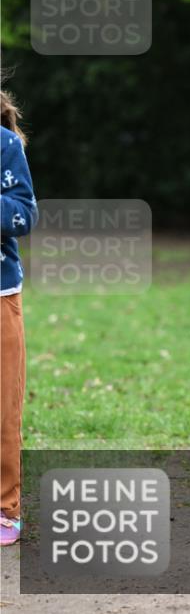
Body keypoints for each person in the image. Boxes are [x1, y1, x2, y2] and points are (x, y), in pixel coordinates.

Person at [1, 89, 38, 546]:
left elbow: (24, 214)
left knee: (3, 407)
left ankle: (5, 506)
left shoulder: (5, 146)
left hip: (1, 294)